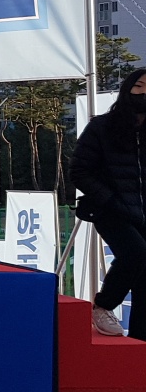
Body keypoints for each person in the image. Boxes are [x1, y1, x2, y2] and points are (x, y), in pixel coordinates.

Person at [70, 67, 146, 339]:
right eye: (139, 86)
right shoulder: (102, 127)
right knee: (135, 253)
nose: (144, 93)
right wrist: (108, 199)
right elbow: (79, 171)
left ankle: (139, 346)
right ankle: (103, 305)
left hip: (142, 211)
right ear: (127, 89)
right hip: (110, 210)